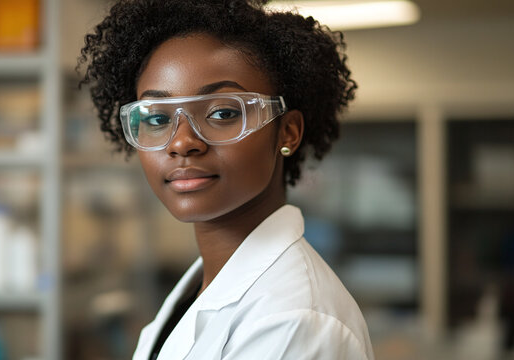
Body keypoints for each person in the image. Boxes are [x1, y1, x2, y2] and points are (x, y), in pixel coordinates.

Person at [78, 0, 373, 359]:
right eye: (157, 119)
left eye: (222, 112)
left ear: (287, 132)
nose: (182, 142)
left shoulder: (295, 320)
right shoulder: (200, 289)